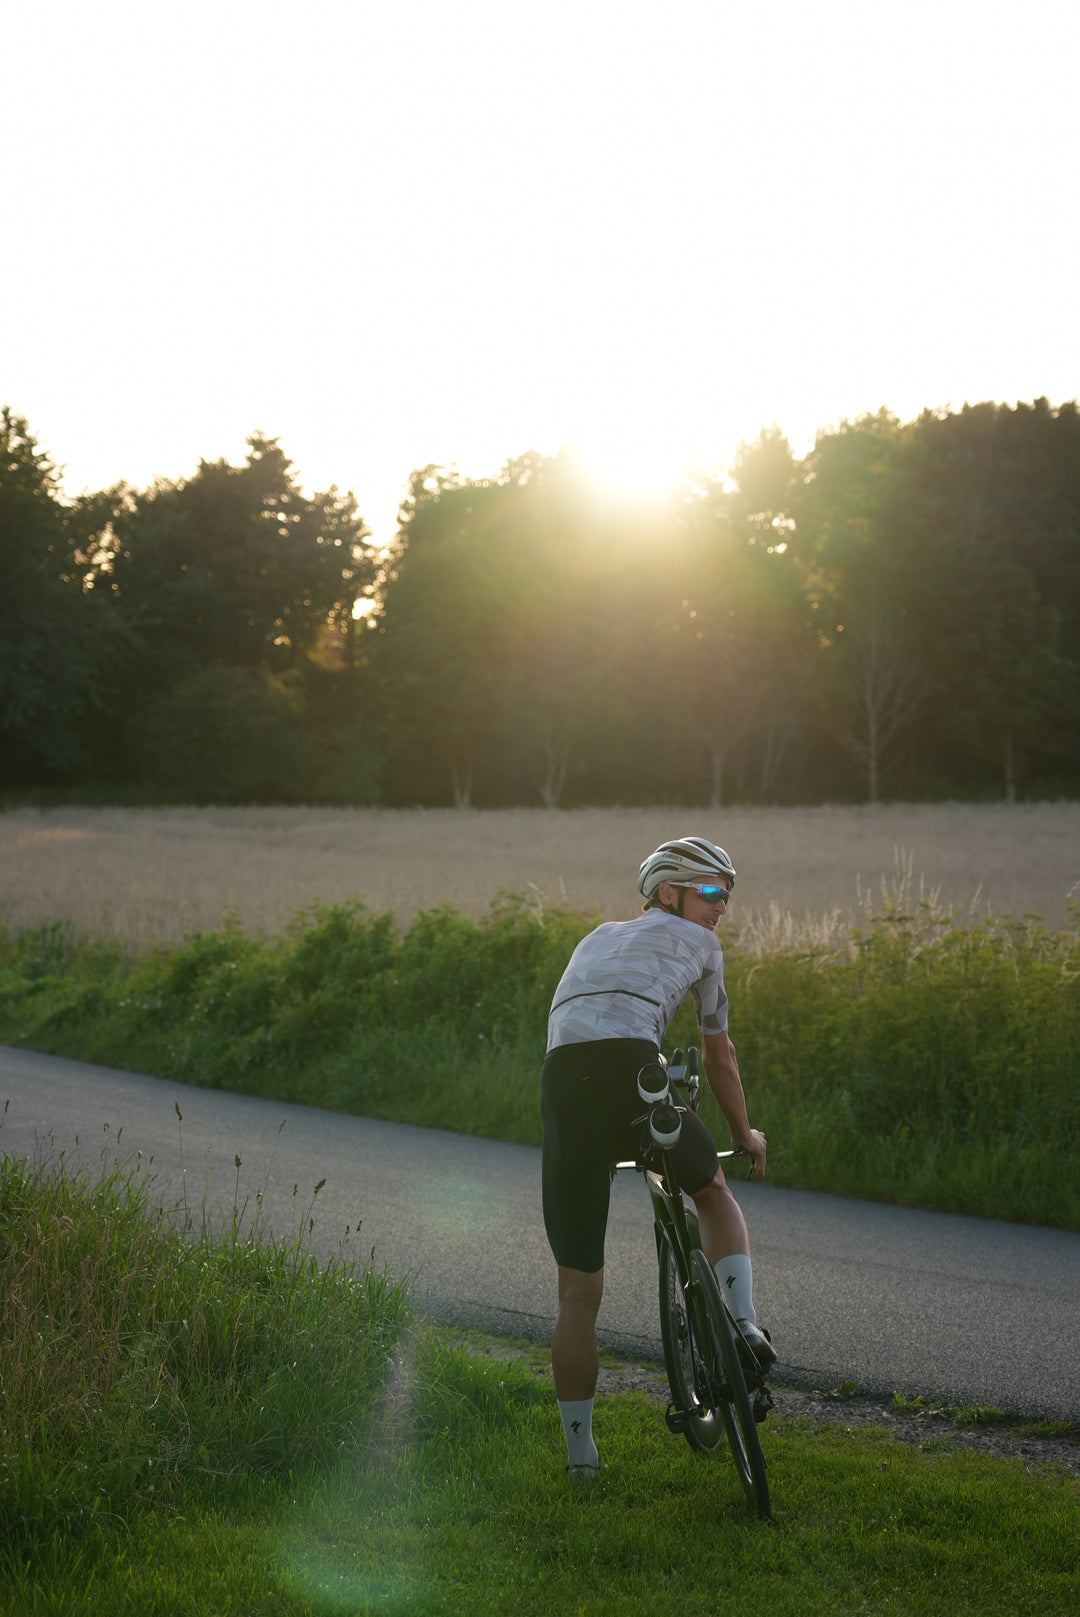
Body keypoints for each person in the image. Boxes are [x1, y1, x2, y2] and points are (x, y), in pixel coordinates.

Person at [540, 835, 773, 1478]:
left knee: (576, 1295)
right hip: (632, 1072)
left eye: (726, 894)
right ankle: (747, 1327)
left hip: (561, 1084)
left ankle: (581, 1460)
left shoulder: (594, 937)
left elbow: (576, 1024)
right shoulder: (703, 946)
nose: (720, 906)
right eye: (708, 892)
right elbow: (718, 1054)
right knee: (713, 1189)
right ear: (666, 893)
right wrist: (745, 1132)